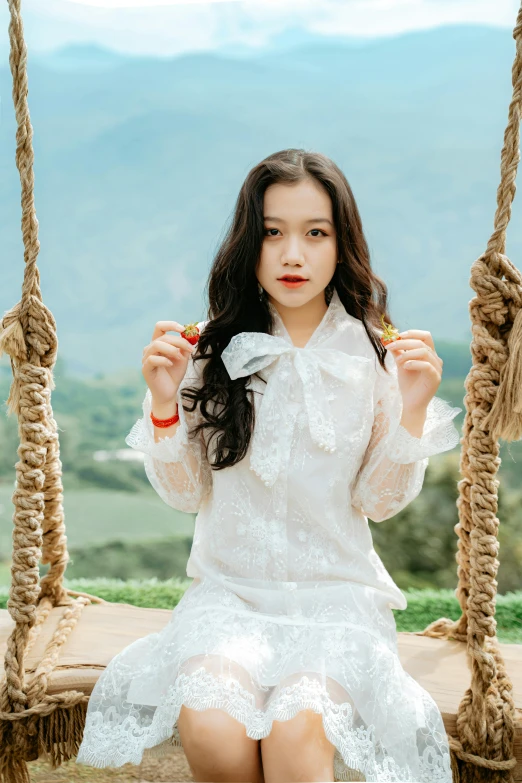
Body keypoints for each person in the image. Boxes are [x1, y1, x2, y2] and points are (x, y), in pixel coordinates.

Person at [76, 149, 462, 782]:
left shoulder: (375, 356)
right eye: (272, 232)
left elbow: (380, 500)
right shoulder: (212, 351)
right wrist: (166, 403)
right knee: (210, 726)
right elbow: (184, 493)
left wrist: (412, 411)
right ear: (247, 244)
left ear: (343, 246)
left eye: (315, 233)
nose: (292, 254)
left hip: (338, 603)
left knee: (296, 736)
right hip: (228, 599)